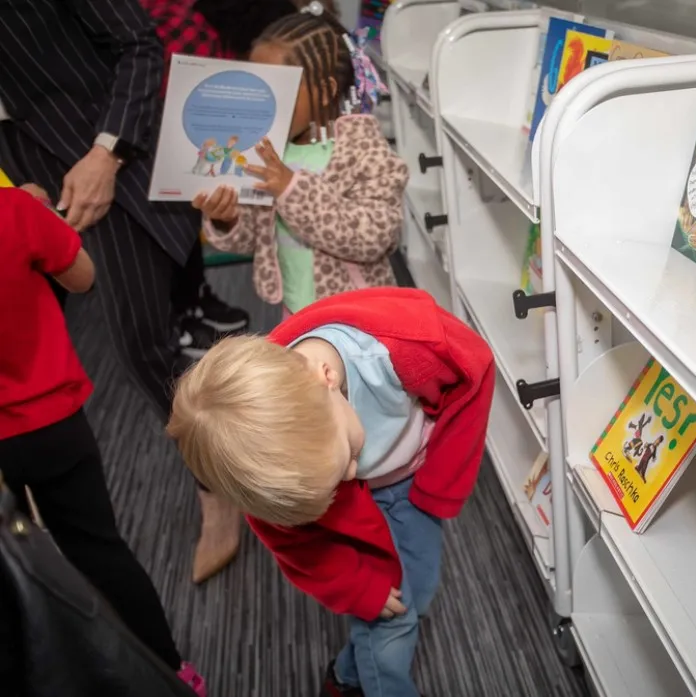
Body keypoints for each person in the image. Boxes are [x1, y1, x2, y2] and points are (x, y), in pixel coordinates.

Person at [0, 0, 245, 583]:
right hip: (17, 171)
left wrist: (106, 154)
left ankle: (218, 482)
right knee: (27, 349)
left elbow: (138, 42)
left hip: (96, 156)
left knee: (140, 346)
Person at [166, 288, 495, 697]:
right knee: (393, 621)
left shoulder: (407, 345)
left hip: (413, 479)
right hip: (350, 519)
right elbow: (300, 549)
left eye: (347, 459)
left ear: (327, 378)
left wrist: (440, 484)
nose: (354, 473)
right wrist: (360, 589)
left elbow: (474, 370)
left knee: (419, 592)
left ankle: (345, 678)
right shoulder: (267, 463)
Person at [0, 186, 206, 696]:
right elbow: (84, 276)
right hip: (53, 423)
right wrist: (44, 222)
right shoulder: (16, 210)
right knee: (98, 548)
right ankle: (169, 670)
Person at [195, 8, 406, 318]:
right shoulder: (268, 152)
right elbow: (254, 240)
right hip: (295, 312)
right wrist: (226, 219)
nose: (263, 103)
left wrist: (290, 187)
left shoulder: (363, 150)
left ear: (325, 92)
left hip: (360, 316)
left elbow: (374, 237)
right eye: (257, 89)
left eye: (276, 90)